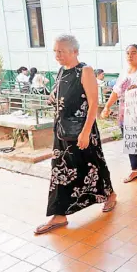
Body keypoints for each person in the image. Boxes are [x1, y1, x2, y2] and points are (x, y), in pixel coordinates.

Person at [34, 34, 116, 235]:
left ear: (75, 51)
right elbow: (61, 95)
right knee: (60, 171)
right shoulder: (62, 71)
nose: (57, 55)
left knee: (93, 164)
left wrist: (86, 132)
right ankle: (59, 215)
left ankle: (110, 195)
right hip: (62, 132)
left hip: (82, 130)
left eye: (61, 51)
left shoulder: (85, 71)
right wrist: (53, 97)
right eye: (55, 51)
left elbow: (93, 103)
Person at [101, 44, 137, 182]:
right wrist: (107, 106)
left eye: (133, 53)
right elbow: (116, 91)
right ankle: (136, 170)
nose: (130, 56)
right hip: (123, 113)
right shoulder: (124, 72)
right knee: (130, 142)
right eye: (127, 53)